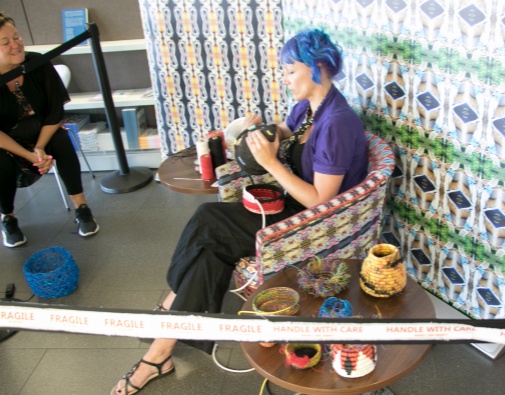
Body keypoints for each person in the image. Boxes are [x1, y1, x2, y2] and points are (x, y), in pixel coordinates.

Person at [111, 29, 368, 394]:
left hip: (314, 225)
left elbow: (321, 203)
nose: (284, 78)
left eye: (290, 70)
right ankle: (162, 348)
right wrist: (261, 129)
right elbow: (289, 131)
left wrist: (271, 163)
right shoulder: (310, 107)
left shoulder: (338, 123)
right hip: (288, 204)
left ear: (317, 68)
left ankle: (169, 316)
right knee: (211, 250)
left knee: (208, 221)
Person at [0, 12, 99, 247]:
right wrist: (29, 155)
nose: (16, 45)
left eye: (17, 37)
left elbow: (55, 112)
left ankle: (81, 207)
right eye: (5, 42)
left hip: (42, 133)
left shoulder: (37, 64)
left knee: (63, 140)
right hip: (8, 143)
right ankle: (8, 218)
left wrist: (40, 147)